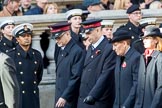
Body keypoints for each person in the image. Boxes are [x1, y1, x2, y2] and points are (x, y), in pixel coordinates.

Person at [77, 19, 116, 108]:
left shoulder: (109, 48)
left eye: (89, 33)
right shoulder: (91, 47)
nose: (87, 36)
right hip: (85, 98)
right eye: (86, 33)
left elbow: (106, 75)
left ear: (98, 30)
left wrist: (93, 95)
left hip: (98, 100)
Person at [49, 22, 85, 108]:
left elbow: (76, 77)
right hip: (60, 96)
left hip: (70, 98)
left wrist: (65, 96)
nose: (57, 41)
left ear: (68, 34)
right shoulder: (61, 49)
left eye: (59, 38)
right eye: (55, 38)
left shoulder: (77, 51)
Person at [7, 23, 44, 108]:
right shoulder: (11, 56)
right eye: (23, 36)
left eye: (29, 35)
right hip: (18, 97)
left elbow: (38, 76)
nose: (27, 38)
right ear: (17, 39)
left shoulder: (37, 55)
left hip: (33, 95)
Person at [111, 29, 141, 108]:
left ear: (124, 43)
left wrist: (126, 105)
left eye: (115, 45)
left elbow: (136, 85)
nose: (113, 48)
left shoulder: (135, 58)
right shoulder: (119, 57)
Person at [134, 26, 162, 108]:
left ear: (156, 40)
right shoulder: (143, 57)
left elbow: (160, 87)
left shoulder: (159, 58)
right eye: (144, 39)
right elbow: (140, 86)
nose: (144, 41)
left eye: (147, 38)